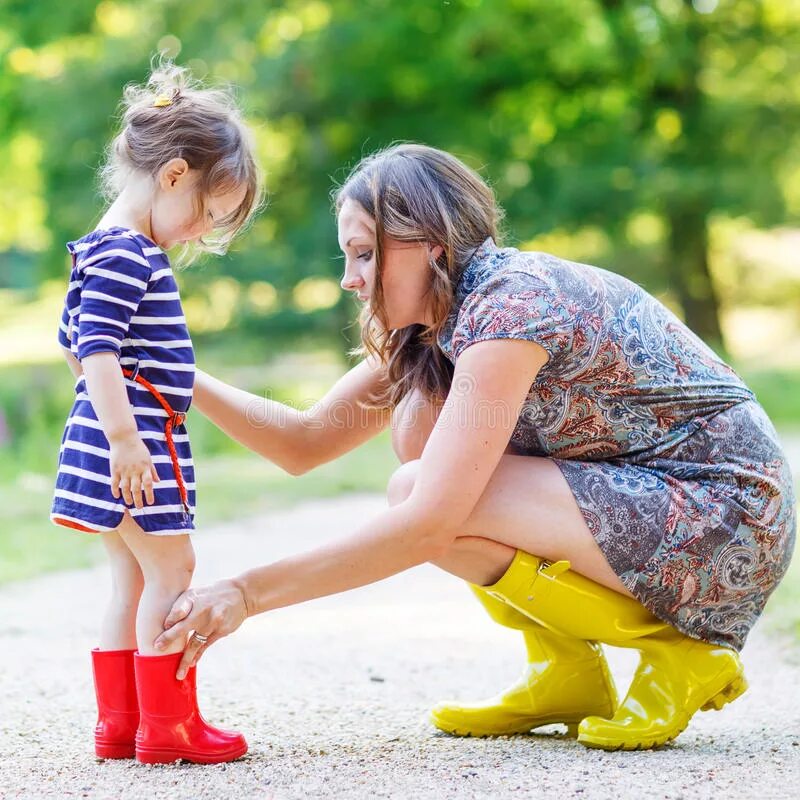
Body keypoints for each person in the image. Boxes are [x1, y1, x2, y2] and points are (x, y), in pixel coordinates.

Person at [153, 143, 796, 751]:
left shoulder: (510, 308)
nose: (351, 279)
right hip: (663, 508)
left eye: (365, 254)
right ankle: (566, 674)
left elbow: (429, 522)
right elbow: (302, 441)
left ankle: (683, 653)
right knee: (420, 459)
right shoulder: (441, 319)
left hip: (728, 514)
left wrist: (245, 592)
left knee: (422, 494)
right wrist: (169, 371)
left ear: (431, 246)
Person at [51, 60, 263, 764]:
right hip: (135, 440)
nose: (200, 233)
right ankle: (169, 726)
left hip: (115, 434)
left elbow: (70, 342)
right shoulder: (129, 254)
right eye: (205, 213)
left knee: (132, 577)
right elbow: (98, 349)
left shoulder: (99, 249)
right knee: (173, 571)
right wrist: (124, 437)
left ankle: (123, 724)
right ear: (173, 175)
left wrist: (104, 421)